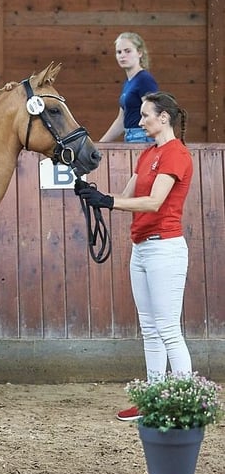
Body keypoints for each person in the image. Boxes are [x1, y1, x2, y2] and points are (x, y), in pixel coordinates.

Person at [77, 92, 193, 421]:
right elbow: (125, 197)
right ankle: (154, 399)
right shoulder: (148, 155)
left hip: (164, 248)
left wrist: (108, 202)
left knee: (168, 329)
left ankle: (183, 405)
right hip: (142, 248)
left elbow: (154, 202)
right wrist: (95, 196)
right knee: (150, 328)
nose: (140, 121)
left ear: (164, 118)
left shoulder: (175, 155)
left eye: (145, 115)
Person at [99, 32, 158, 144]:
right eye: (119, 52)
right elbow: (121, 121)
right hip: (129, 137)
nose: (122, 55)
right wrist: (100, 144)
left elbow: (153, 113)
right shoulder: (128, 83)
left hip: (143, 137)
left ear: (139, 53)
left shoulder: (144, 79)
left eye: (128, 51)